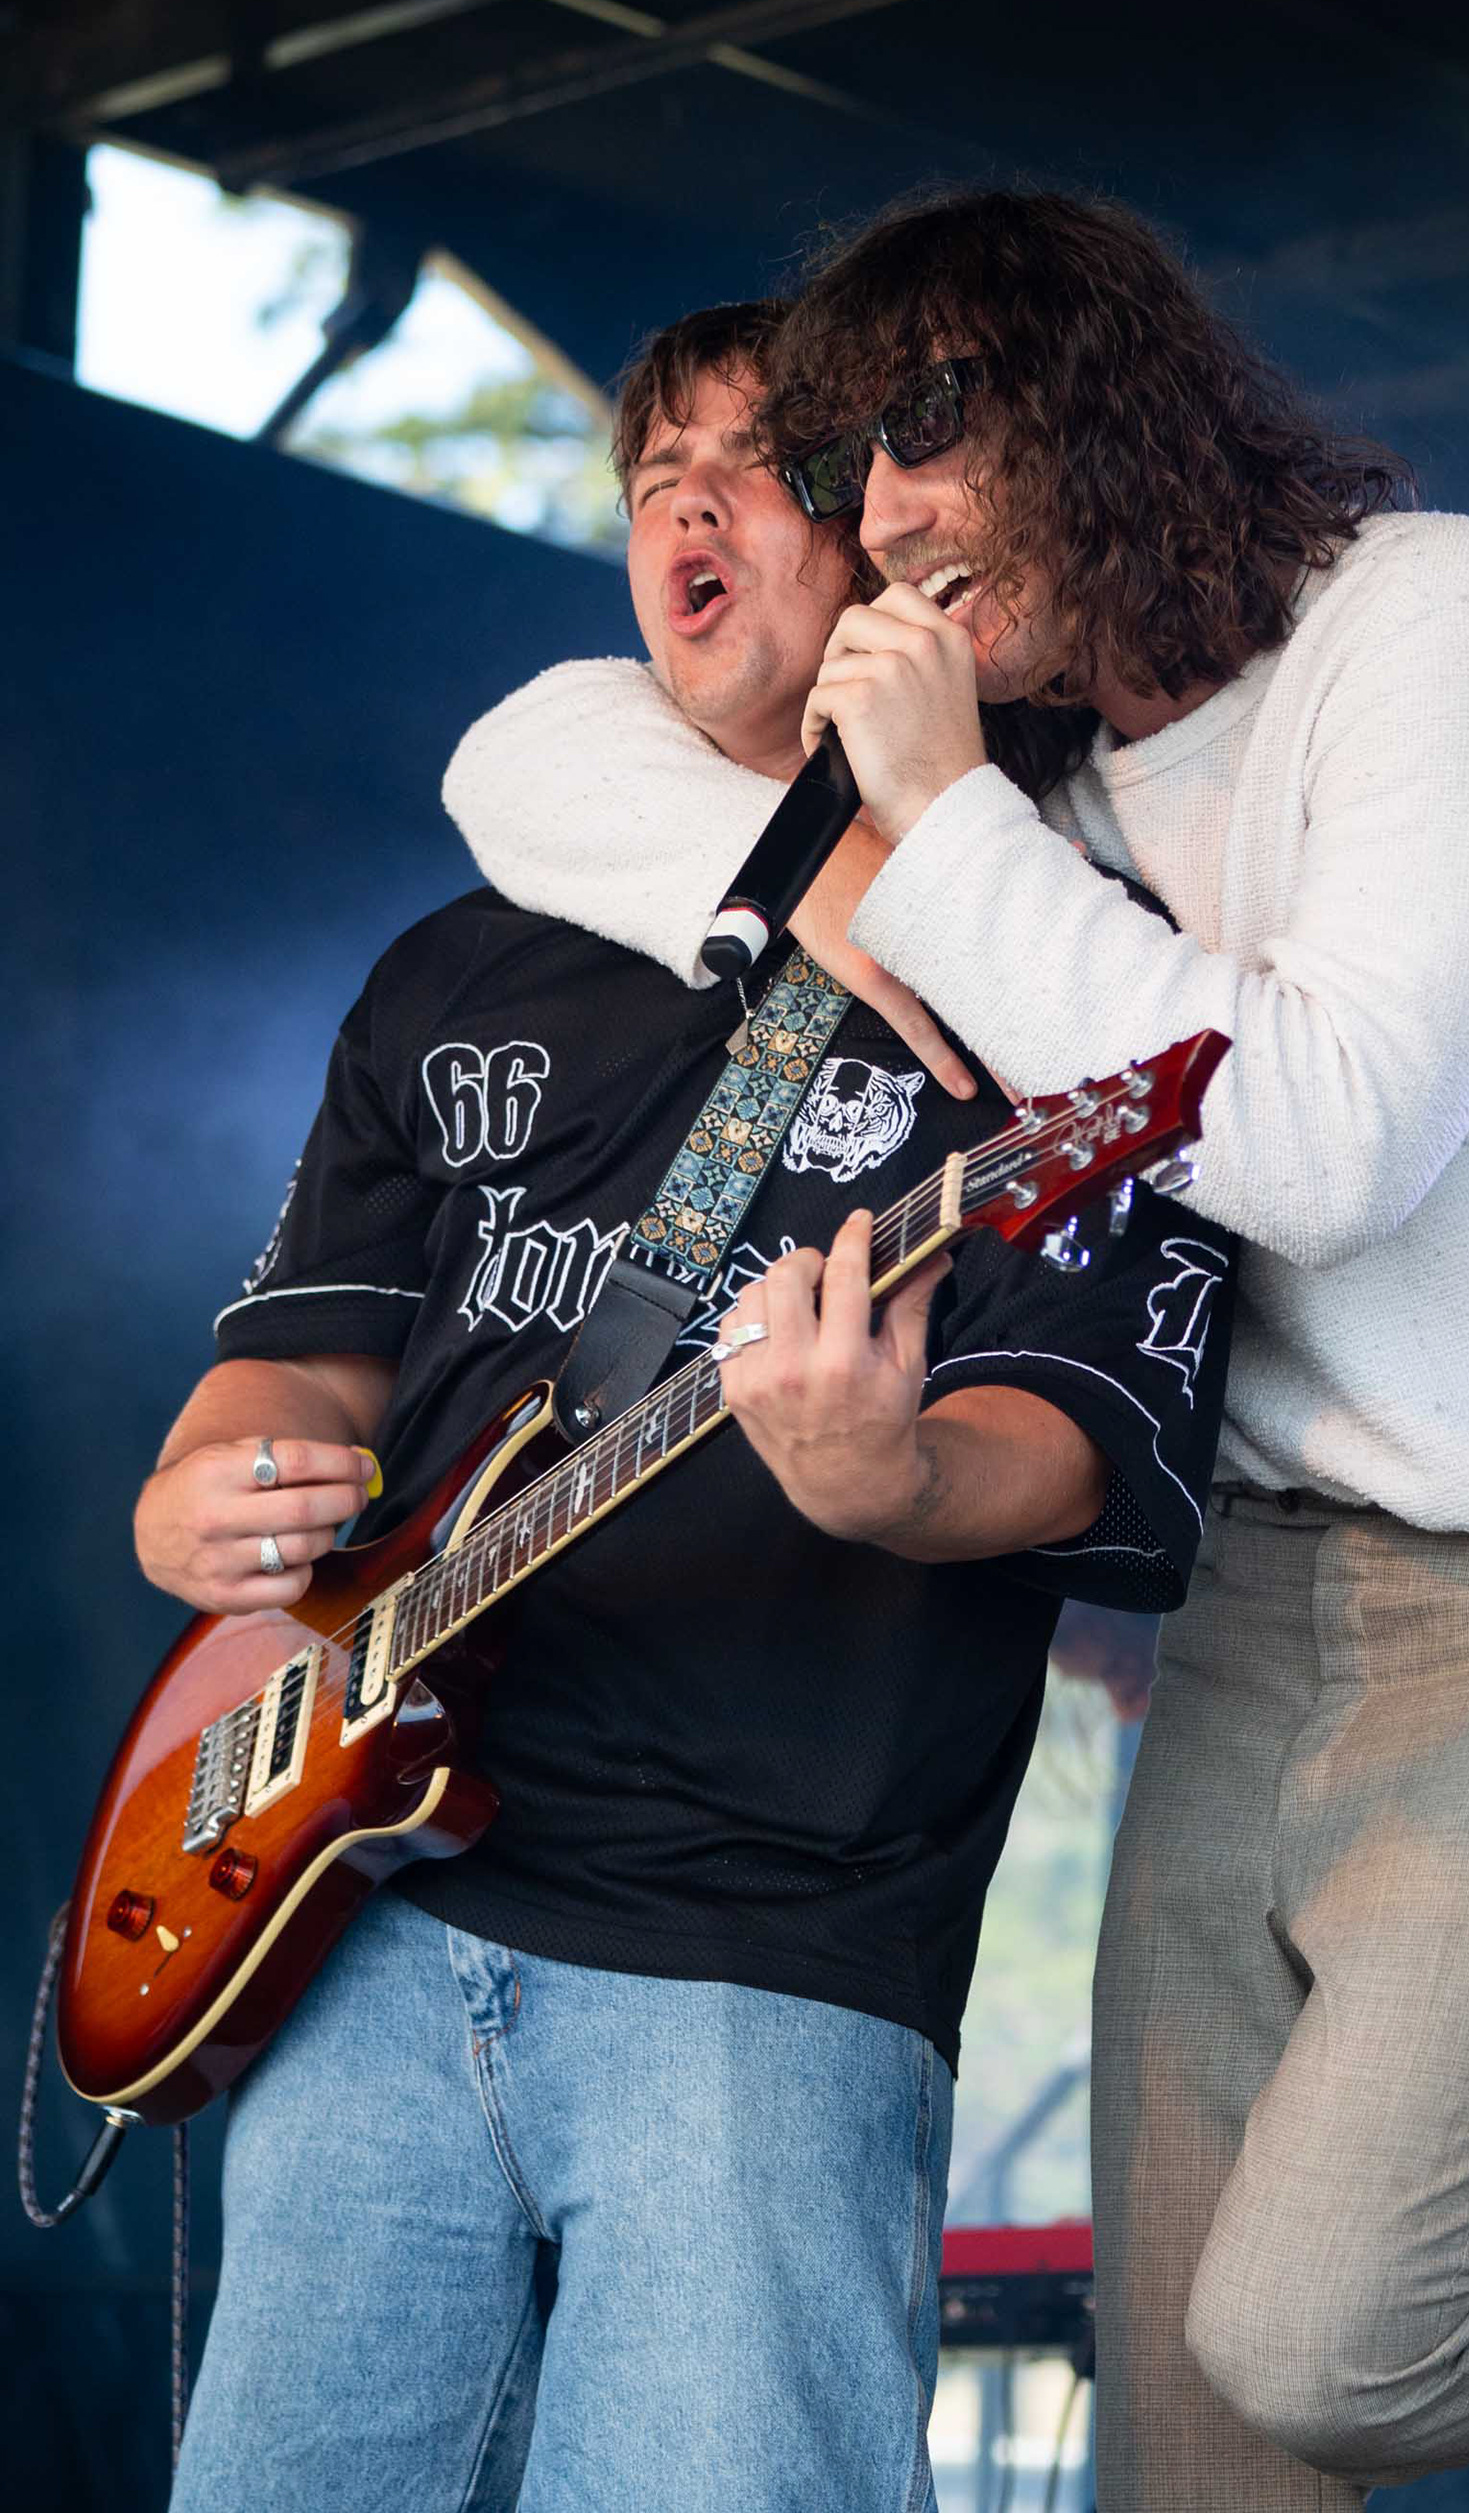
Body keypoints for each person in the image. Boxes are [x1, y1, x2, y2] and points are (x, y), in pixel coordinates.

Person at [447, 190, 1469, 2513]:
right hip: (1263, 1605)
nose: (888, 516)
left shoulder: (1455, 626)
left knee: (1328, 2340)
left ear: (1100, 394)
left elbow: (1312, 1143)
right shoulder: (1043, 781)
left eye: (924, 431)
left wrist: (937, 825)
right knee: (1200, 2457)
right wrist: (844, 869)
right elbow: (530, 751)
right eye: (847, 476)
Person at [144, 295, 1234, 2513]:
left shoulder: (1062, 957)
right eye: (657, 479)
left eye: (759, 469)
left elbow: (1089, 1443)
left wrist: (896, 1472)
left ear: (892, 542)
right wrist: (195, 1487)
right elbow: (304, 1350)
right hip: (361, 1911)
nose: (691, 512)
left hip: (765, 1960)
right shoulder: (467, 951)